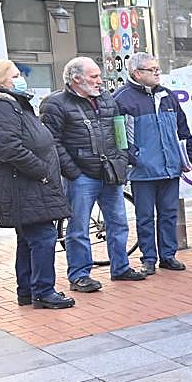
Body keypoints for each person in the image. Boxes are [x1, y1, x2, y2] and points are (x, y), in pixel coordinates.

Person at [40, 57, 146, 289]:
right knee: (78, 229)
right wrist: (73, 171)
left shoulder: (106, 98)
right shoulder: (54, 103)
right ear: (76, 78)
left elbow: (119, 130)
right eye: (94, 76)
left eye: (99, 75)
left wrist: (121, 158)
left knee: (118, 223)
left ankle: (121, 268)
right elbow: (52, 143)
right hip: (81, 176)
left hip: (110, 171)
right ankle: (80, 275)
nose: (100, 80)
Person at [0, 59, 75, 309]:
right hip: (24, 184)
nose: (21, 80)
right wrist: (41, 170)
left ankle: (27, 291)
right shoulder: (1, 106)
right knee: (43, 237)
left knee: (28, 239)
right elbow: (7, 147)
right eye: (15, 76)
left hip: (26, 183)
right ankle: (43, 292)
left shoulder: (15, 104)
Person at [114, 52, 192, 274]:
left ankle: (168, 256)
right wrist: (135, 158)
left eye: (158, 68)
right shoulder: (121, 99)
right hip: (142, 170)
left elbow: (183, 128)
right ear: (137, 73)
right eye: (152, 69)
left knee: (169, 214)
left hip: (170, 167)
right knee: (145, 217)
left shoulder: (168, 96)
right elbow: (119, 137)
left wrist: (187, 154)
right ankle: (148, 258)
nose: (158, 73)